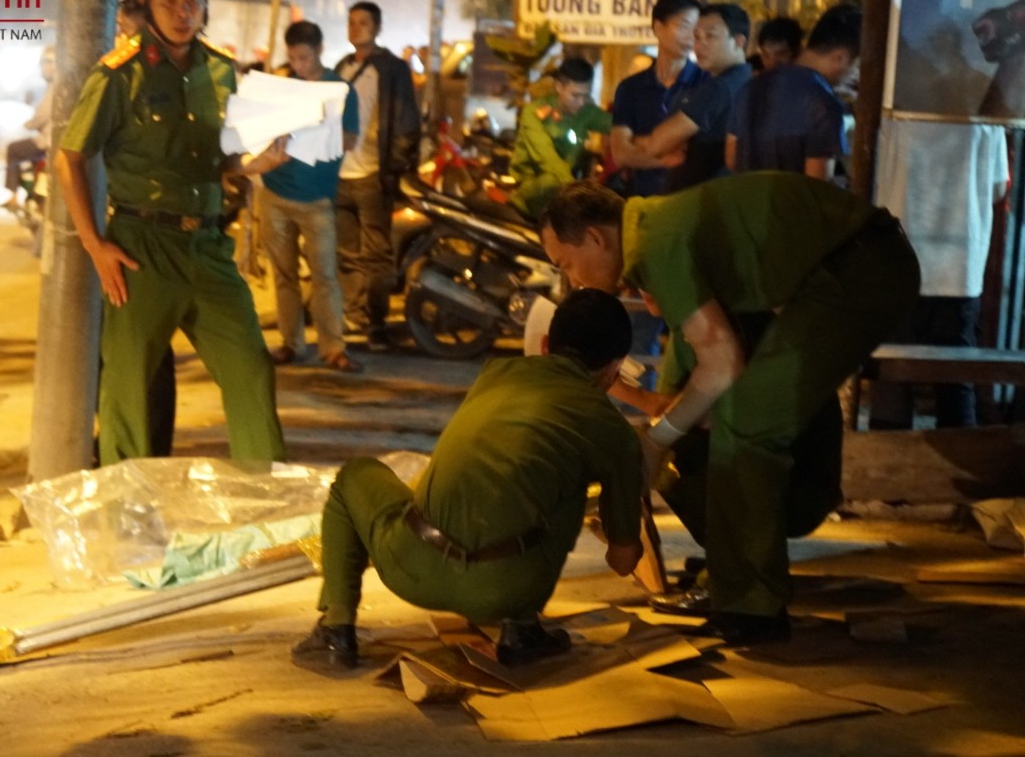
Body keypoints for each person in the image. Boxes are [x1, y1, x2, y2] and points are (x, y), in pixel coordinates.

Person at [540, 176, 920, 644]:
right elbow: (686, 384)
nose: (573, 280)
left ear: (596, 238)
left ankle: (753, 607)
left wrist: (655, 442)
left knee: (747, 421)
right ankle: (731, 578)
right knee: (705, 416)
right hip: (839, 270)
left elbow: (722, 365)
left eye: (567, 264)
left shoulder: (658, 242)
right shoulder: (654, 229)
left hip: (861, 268)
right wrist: (659, 419)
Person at [291, 288, 645, 669]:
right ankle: (522, 629)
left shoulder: (496, 374)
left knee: (354, 477)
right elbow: (623, 562)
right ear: (615, 369)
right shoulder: (613, 433)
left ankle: (336, 628)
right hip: (503, 594)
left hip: (411, 569)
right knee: (566, 480)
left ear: (545, 345)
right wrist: (629, 500)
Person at [56, 0, 286, 466]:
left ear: (204, 6)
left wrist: (256, 163)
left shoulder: (220, 69)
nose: (183, 13)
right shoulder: (120, 73)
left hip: (207, 246)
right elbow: (71, 158)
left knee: (251, 369)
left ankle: (266, 493)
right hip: (141, 248)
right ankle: (123, 505)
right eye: (169, 2)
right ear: (146, 5)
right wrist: (95, 245)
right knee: (129, 388)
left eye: (192, 2)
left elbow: (219, 156)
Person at [870, 120, 1011, 429]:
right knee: (955, 383)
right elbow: (998, 188)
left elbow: (871, 176)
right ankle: (954, 455)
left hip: (896, 263)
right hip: (957, 269)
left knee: (891, 378)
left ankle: (885, 457)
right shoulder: (986, 117)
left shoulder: (892, 113)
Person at [261, 21, 363, 374]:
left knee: (324, 276)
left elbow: (350, 140)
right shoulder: (283, 86)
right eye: (293, 58)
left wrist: (315, 129)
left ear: (320, 50)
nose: (299, 65)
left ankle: (333, 348)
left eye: (304, 58)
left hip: (317, 198)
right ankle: (291, 343)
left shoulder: (341, 91)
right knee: (283, 274)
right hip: (275, 191)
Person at [333, 1, 422, 351]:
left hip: (372, 175)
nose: (355, 28)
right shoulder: (341, 67)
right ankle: (353, 316)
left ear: (377, 27)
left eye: (363, 22)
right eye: (351, 22)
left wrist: (393, 168)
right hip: (339, 176)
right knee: (345, 253)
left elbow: (407, 121)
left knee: (377, 255)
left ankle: (377, 322)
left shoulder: (392, 69)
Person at [621, 3, 752, 194]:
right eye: (696, 37)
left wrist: (639, 140)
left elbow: (658, 144)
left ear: (738, 41)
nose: (699, 44)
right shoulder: (746, 79)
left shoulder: (720, 88)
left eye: (710, 36)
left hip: (699, 199)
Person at [727, 6, 862, 179]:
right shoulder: (824, 104)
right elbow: (817, 183)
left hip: (749, 193)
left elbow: (732, 159)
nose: (857, 75)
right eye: (857, 65)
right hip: (793, 197)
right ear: (840, 57)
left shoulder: (751, 87)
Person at [609, 0, 707, 198]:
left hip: (691, 199)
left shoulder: (706, 83)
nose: (691, 36)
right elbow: (621, 154)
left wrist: (639, 141)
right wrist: (668, 157)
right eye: (684, 26)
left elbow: (699, 152)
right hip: (643, 200)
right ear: (658, 28)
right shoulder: (631, 88)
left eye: (696, 29)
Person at [508, 57, 611, 220]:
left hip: (565, 187)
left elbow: (615, 124)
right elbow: (547, 159)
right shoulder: (534, 113)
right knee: (552, 182)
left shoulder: (585, 112)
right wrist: (577, 190)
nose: (581, 102)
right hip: (532, 188)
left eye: (586, 96)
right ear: (559, 87)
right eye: (575, 95)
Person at [3, 46, 56, 210]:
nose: (43, 68)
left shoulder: (56, 86)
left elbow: (43, 114)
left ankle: (13, 196)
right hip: (51, 140)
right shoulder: (56, 85)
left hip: (47, 141)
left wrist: (30, 124)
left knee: (14, 150)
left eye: (45, 63)